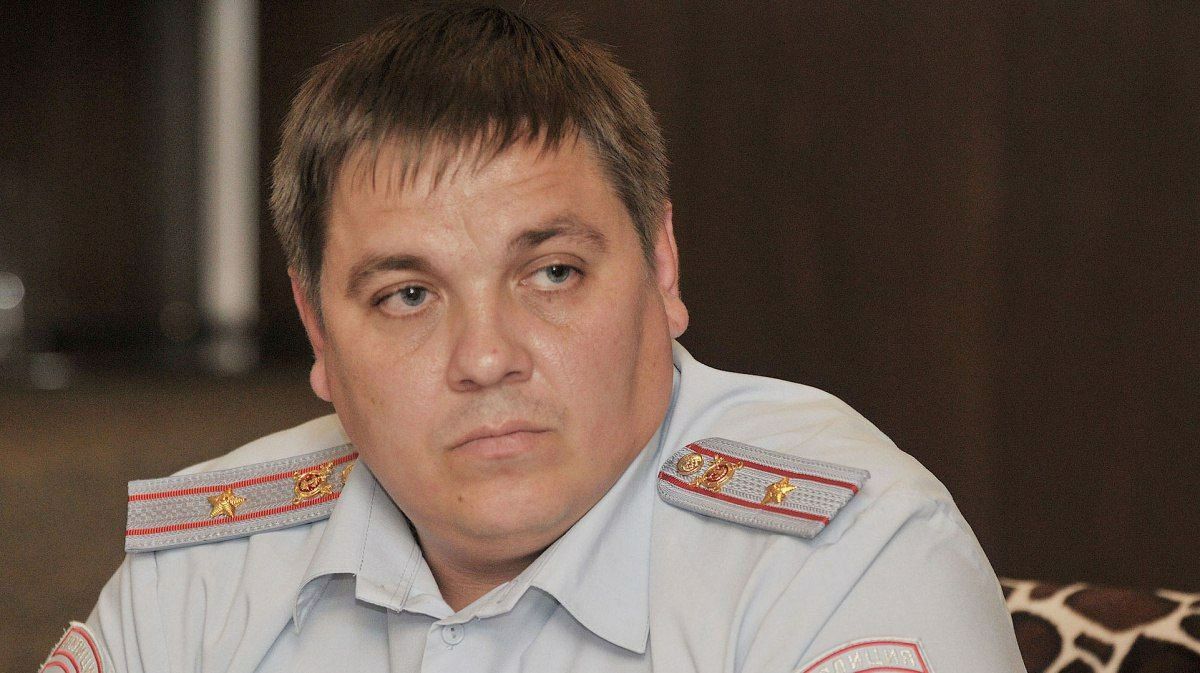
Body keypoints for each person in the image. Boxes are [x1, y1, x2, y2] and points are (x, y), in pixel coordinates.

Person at [42, 4, 1024, 672]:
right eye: (407, 295)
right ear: (318, 333)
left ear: (662, 268)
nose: (486, 357)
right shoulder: (204, 568)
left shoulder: (840, 557)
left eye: (552, 273)